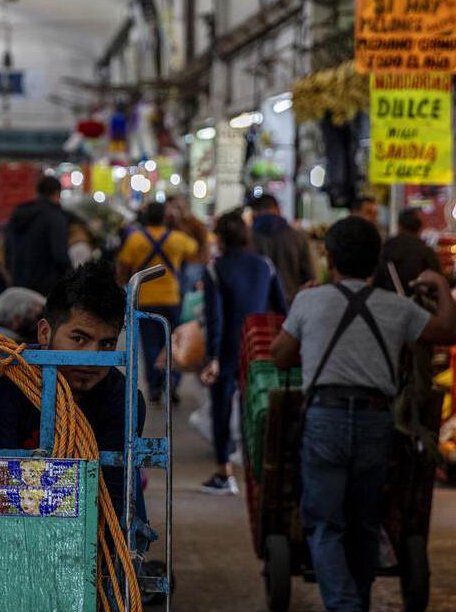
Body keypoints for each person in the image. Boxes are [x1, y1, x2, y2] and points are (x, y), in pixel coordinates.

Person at [270, 217, 456, 612]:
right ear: (376, 263)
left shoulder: (310, 300)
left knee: (325, 524)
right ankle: (355, 602)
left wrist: (301, 312)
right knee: (363, 526)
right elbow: (448, 331)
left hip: (325, 419)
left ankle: (345, 606)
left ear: (329, 259)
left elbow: (280, 355)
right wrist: (440, 286)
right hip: (377, 423)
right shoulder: (398, 308)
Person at [0, 261, 144, 518]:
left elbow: (113, 499)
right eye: (79, 339)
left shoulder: (123, 398)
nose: (92, 357)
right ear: (45, 333)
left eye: (107, 344)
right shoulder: (4, 379)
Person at [199, 210, 287, 495]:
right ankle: (259, 472)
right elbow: (281, 310)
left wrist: (212, 357)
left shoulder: (215, 268)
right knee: (256, 409)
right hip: (258, 349)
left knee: (221, 411)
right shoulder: (265, 265)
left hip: (227, 350)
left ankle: (224, 472)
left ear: (221, 237)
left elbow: (216, 318)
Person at [116, 201, 198, 404]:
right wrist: (178, 225)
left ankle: (154, 388)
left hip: (144, 299)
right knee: (173, 342)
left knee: (150, 345)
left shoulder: (135, 239)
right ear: (164, 217)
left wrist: (122, 289)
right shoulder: (177, 238)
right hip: (172, 298)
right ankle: (171, 382)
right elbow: (197, 249)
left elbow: (123, 267)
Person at [3, 175, 70, 296]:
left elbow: (7, 249)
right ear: (56, 193)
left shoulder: (19, 214)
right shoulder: (54, 216)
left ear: (37, 192)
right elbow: (60, 256)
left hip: (18, 284)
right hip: (45, 289)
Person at [250, 193, 315, 303]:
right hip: (291, 306)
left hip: (258, 309)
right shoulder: (298, 237)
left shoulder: (248, 238)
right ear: (278, 209)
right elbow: (311, 278)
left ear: (255, 213)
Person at [373, 208, 441, 294]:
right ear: (420, 228)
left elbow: (376, 279)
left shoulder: (386, 247)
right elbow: (436, 283)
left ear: (399, 226)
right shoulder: (426, 251)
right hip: (417, 303)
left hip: (386, 300)